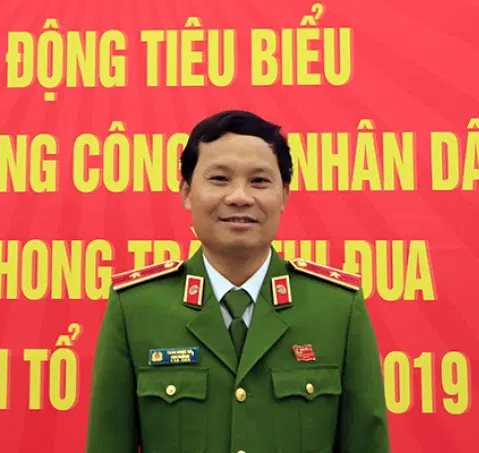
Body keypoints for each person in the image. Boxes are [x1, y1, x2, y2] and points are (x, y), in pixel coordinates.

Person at [86, 110, 390, 453]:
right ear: (187, 192)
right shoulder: (136, 309)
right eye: (219, 179)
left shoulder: (337, 309)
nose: (240, 197)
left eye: (259, 181)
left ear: (284, 195)